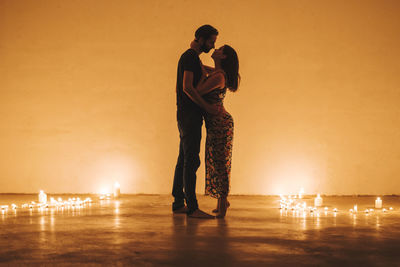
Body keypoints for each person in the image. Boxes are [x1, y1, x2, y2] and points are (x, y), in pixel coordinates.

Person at [172, 25, 220, 219]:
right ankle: (192, 207)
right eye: (211, 41)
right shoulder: (190, 57)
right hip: (190, 115)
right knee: (191, 160)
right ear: (201, 39)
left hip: (186, 114)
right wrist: (207, 107)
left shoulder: (192, 57)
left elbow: (206, 73)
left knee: (184, 159)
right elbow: (187, 88)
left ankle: (178, 203)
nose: (212, 45)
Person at [192, 45, 240, 218]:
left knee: (220, 163)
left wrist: (205, 106)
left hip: (220, 123)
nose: (215, 48)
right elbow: (200, 67)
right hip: (217, 123)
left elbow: (196, 92)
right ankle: (223, 200)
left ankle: (223, 204)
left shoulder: (218, 76)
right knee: (215, 161)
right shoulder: (216, 73)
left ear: (223, 57)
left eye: (219, 49)